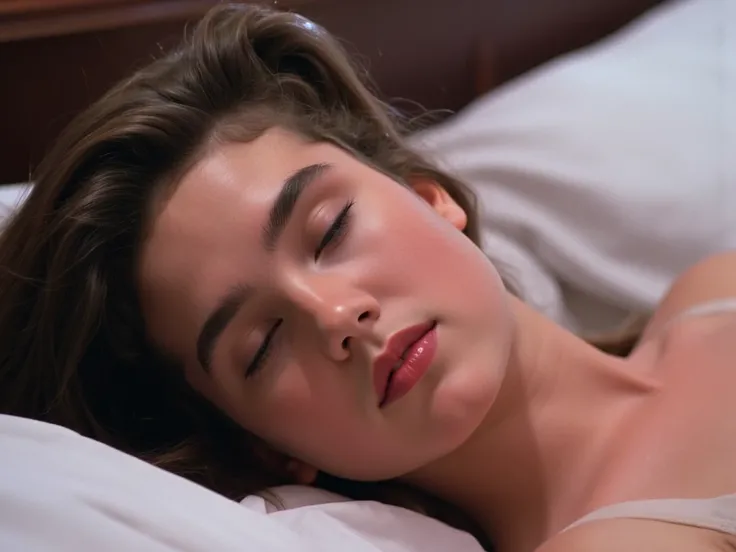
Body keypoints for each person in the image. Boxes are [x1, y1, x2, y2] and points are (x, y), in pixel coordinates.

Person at [0, 5, 734, 552]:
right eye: (262, 345)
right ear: (268, 449)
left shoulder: (709, 291)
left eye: (330, 231)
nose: (336, 316)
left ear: (427, 196)